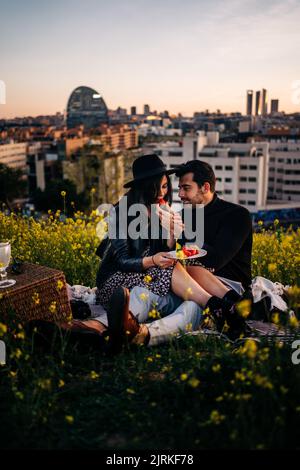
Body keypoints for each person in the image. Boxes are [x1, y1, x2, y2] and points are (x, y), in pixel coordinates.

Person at [95, 154, 245, 333]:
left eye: (165, 186)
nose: (161, 193)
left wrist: (172, 234)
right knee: (170, 269)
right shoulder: (121, 211)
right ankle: (218, 307)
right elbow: (122, 261)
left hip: (147, 275)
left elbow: (165, 252)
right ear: (142, 187)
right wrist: (153, 260)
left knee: (174, 266)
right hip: (116, 279)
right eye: (155, 187)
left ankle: (221, 307)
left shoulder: (161, 210)